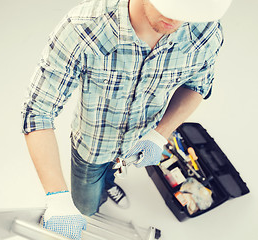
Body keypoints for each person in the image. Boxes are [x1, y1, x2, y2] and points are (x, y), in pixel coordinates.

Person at [21, 0, 232, 239]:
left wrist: (158, 134)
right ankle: (95, 201)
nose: (176, 20)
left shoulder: (205, 31)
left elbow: (198, 86)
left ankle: (109, 185)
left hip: (138, 144)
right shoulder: (83, 28)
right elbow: (37, 112)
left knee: (112, 175)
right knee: (87, 207)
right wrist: (57, 198)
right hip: (92, 149)